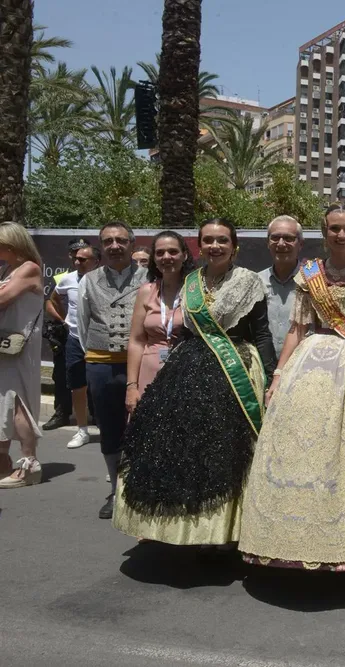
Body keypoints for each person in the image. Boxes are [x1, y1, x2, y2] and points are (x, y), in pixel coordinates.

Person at [239, 204, 345, 570]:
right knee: (300, 446)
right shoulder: (309, 274)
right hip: (308, 364)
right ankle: (285, 538)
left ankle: (342, 542)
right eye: (334, 229)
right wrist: (278, 376)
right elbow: (296, 328)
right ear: (323, 233)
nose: (341, 235)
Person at [115, 219, 275, 545]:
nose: (215, 246)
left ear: (234, 247)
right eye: (208, 241)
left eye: (222, 241)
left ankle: (225, 536)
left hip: (237, 366)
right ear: (199, 247)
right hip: (190, 368)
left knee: (229, 449)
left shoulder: (248, 282)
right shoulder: (191, 283)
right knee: (189, 450)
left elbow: (261, 334)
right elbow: (186, 331)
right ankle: (188, 529)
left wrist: (273, 379)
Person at [77, 221, 148, 518]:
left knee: (145, 426)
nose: (115, 246)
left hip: (141, 364)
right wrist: (97, 353)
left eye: (121, 240)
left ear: (132, 244)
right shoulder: (88, 280)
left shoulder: (149, 278)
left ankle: (145, 489)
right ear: (101, 246)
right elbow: (82, 325)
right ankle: (116, 489)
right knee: (109, 428)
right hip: (101, 363)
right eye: (108, 241)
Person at [124, 231, 194, 413]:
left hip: (186, 372)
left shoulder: (196, 291)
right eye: (160, 253)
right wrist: (132, 386)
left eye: (173, 252)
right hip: (149, 373)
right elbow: (136, 341)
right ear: (154, 258)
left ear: (184, 255)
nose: (166, 257)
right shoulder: (146, 291)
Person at [0, 222, 45, 489]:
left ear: (12, 245)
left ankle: (30, 463)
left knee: (18, 403)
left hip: (18, 348)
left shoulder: (29, 268)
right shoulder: (8, 269)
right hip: (3, 345)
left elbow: (3, 298)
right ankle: (3, 460)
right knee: (2, 403)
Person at [49, 241, 100, 448]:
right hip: (75, 340)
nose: (77, 262)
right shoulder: (66, 279)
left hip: (99, 341)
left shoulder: (105, 279)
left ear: (96, 262)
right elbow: (52, 299)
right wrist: (63, 320)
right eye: (76, 258)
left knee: (102, 386)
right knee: (77, 387)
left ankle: (108, 429)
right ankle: (82, 431)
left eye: (83, 259)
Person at [41, 239, 92, 430]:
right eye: (74, 252)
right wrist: (64, 320)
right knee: (61, 375)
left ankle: (94, 414)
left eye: (82, 252)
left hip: (91, 334)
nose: (77, 256)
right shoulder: (62, 277)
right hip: (66, 334)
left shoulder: (99, 276)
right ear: (70, 255)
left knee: (93, 375)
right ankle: (62, 413)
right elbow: (50, 302)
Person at [257, 215, 302, 357]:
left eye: (289, 238)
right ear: (267, 243)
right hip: (265, 368)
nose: (281, 244)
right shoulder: (255, 282)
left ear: (301, 244)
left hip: (302, 367)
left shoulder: (313, 281)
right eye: (275, 238)